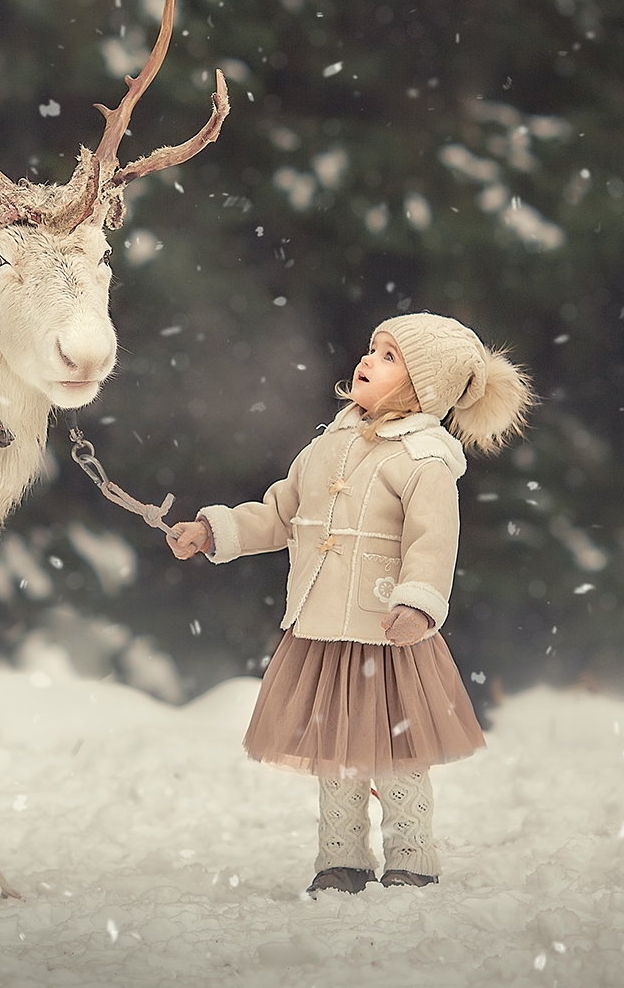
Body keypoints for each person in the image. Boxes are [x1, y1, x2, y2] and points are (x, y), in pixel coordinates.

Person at [167, 312, 534, 895]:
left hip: (390, 634)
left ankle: (411, 854)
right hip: (323, 632)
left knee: (396, 752)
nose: (368, 360)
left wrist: (419, 602)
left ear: (423, 389)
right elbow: (280, 513)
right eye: (372, 348)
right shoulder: (325, 447)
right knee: (334, 753)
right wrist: (217, 532)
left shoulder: (422, 460)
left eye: (390, 357)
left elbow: (433, 542)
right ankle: (341, 857)